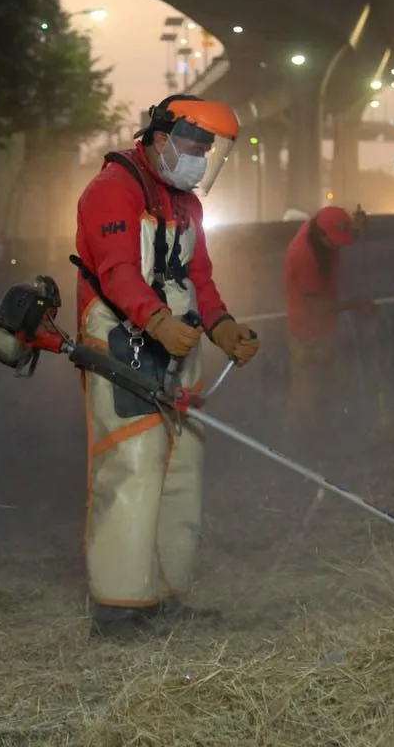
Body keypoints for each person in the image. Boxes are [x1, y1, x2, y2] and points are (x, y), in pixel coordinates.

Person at [71, 94, 260, 640]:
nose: (200, 158)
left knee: (182, 465)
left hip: (177, 339)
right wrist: (155, 322)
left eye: (209, 149)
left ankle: (166, 594)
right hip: (123, 339)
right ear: (159, 138)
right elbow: (117, 271)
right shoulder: (111, 191)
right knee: (132, 462)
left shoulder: (185, 203)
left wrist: (222, 328)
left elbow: (198, 278)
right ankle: (121, 605)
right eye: (193, 145)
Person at [282, 205, 374, 459]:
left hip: (328, 328)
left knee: (333, 385)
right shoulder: (303, 255)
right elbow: (317, 306)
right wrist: (355, 306)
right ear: (320, 236)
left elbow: (346, 225)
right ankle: (299, 450)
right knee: (307, 393)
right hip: (306, 331)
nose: (337, 249)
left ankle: (331, 440)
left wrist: (360, 223)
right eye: (333, 244)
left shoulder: (323, 225)